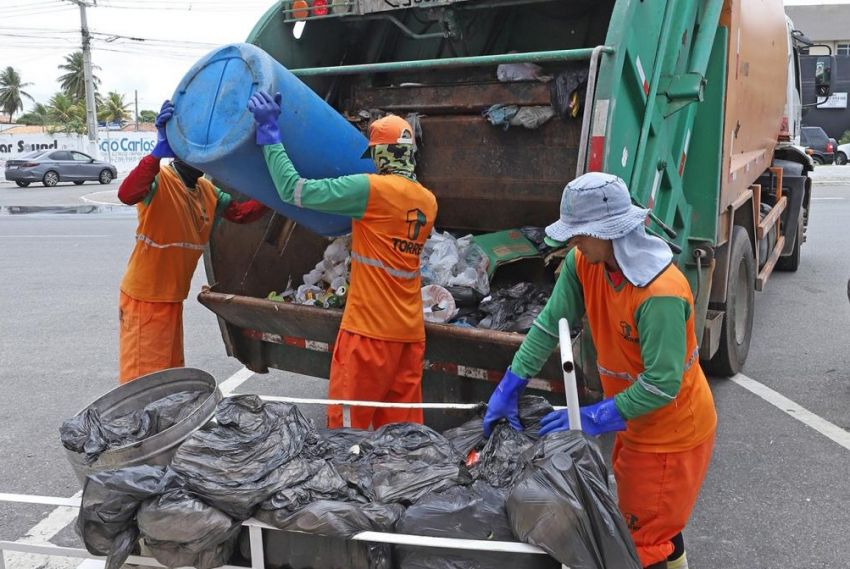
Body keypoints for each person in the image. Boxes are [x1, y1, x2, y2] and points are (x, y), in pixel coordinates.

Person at [482, 172, 716, 569]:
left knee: (641, 542)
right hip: (633, 423)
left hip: (671, 434)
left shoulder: (659, 294)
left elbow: (662, 384)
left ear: (611, 231)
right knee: (652, 524)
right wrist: (511, 383)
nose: (571, 241)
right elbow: (549, 323)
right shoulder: (584, 261)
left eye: (579, 233)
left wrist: (594, 417)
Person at [247, 91, 437, 429]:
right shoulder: (428, 201)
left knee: (350, 433)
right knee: (401, 435)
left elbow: (293, 190)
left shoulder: (372, 191)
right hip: (408, 337)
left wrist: (270, 136)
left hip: (368, 336)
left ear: (381, 154)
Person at [117, 99, 268, 384]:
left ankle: (165, 424)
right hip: (145, 298)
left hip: (172, 297)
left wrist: (276, 192)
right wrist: (154, 155)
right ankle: (139, 428)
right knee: (144, 380)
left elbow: (241, 214)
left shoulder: (207, 190)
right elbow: (127, 194)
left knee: (169, 375)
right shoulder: (160, 181)